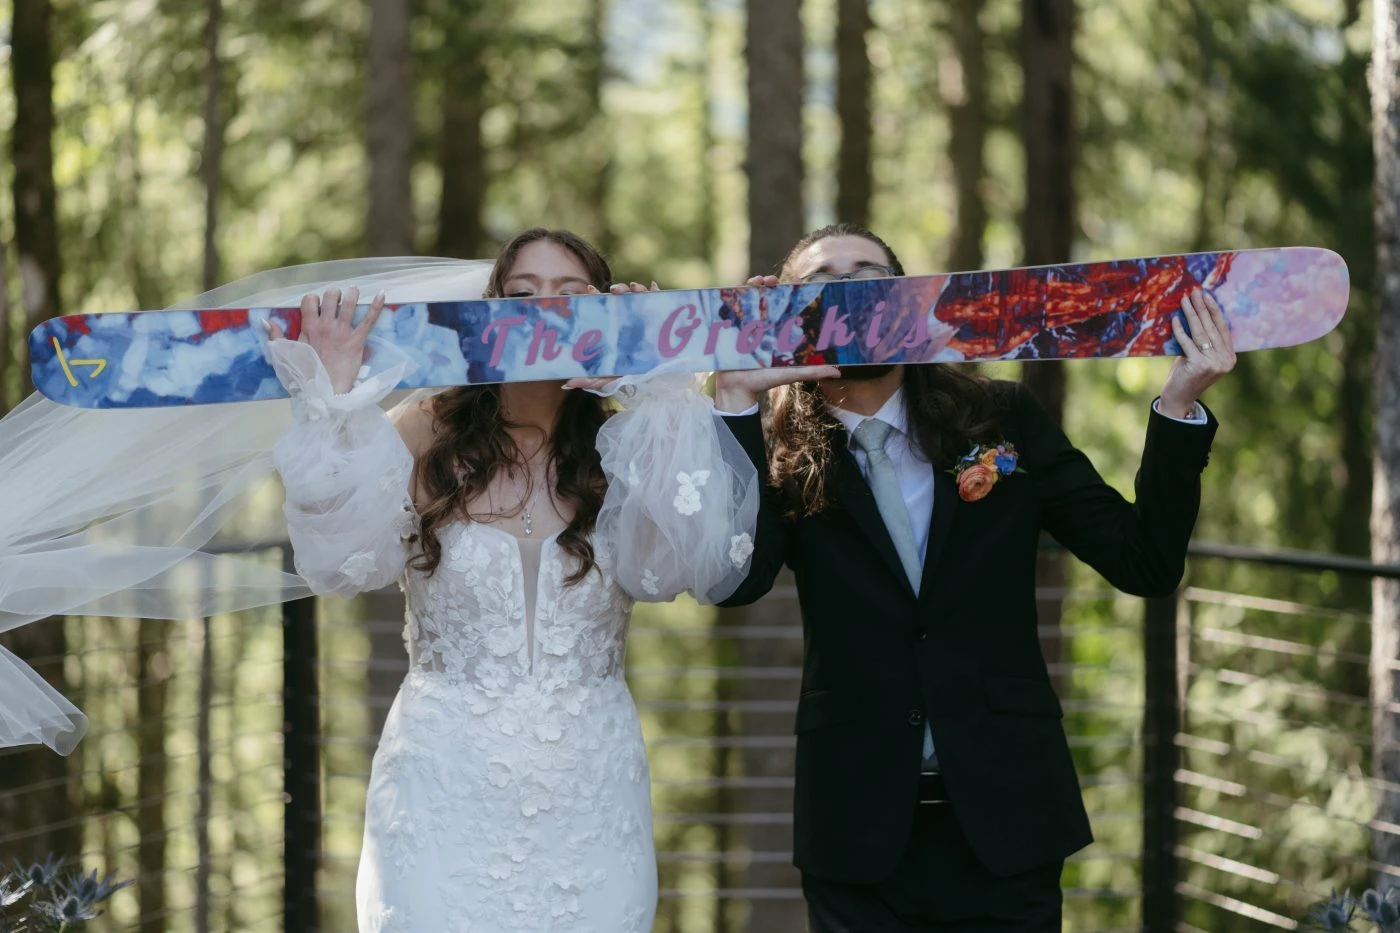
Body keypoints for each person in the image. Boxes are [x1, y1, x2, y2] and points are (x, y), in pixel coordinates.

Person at [711, 223, 1236, 932]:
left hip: (1009, 816)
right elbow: (734, 580)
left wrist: (1178, 404)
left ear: (910, 302)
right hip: (855, 828)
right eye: (823, 279)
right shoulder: (778, 452)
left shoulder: (1003, 418)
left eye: (870, 274)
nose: (849, 288)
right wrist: (737, 407)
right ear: (792, 315)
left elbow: (1143, 560)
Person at [266, 227, 759, 932]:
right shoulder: (423, 433)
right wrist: (333, 402)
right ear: (490, 311)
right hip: (441, 782)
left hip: (591, 789)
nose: (543, 311)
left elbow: (676, 568)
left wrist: (662, 397)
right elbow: (341, 557)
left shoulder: (620, 445)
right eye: (521, 293)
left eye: (570, 293)